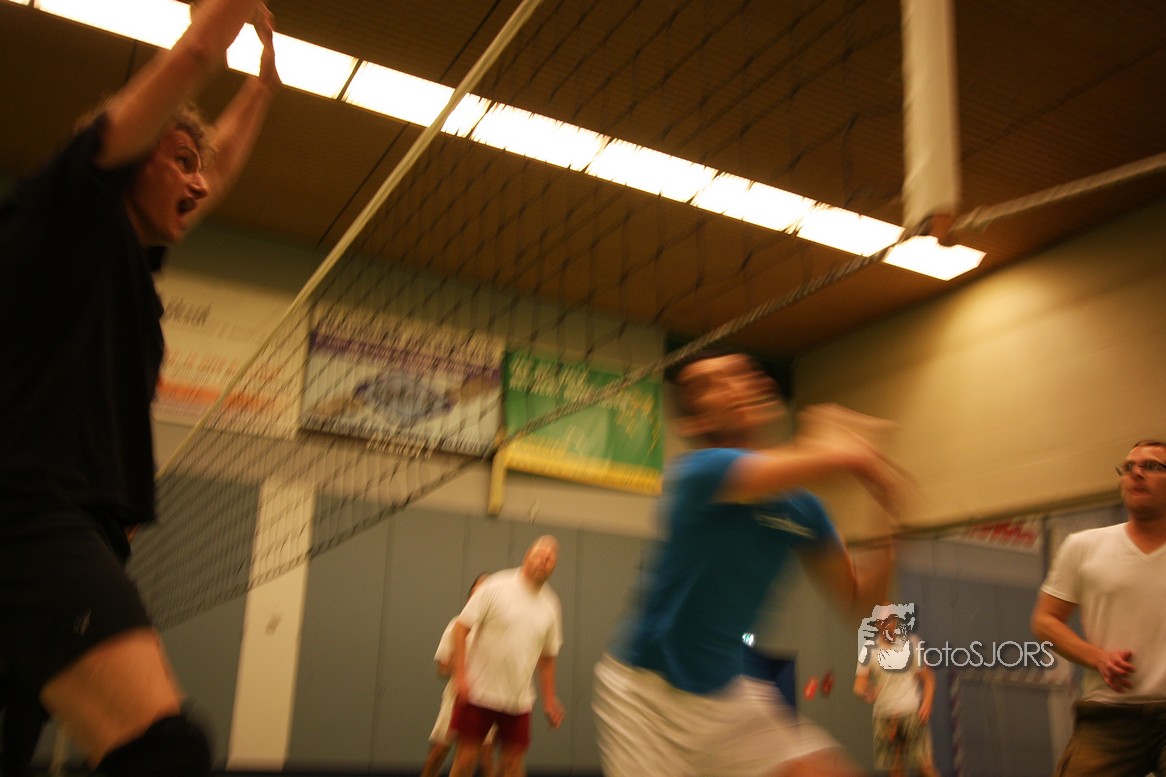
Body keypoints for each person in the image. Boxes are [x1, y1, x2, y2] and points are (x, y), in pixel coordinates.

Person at [0, 2, 279, 775]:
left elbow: (216, 172)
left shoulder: (125, 257)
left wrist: (262, 88)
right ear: (128, 162)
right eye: (180, 159)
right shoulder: (66, 209)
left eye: (199, 164)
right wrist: (220, 25)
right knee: (164, 751)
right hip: (28, 515)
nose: (199, 180)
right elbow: (185, 66)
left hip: (69, 529)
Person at [592, 350, 908, 777]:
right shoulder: (700, 474)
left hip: (727, 696)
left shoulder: (803, 508)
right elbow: (831, 461)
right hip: (643, 700)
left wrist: (885, 516)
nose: (734, 383)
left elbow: (862, 602)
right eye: (709, 384)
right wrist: (844, 446)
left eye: (739, 374)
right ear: (696, 422)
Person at [1031, 439, 1166, 776]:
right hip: (1108, 715)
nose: (1136, 473)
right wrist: (1098, 658)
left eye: (1151, 466)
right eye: (1129, 467)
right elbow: (1046, 620)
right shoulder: (1083, 546)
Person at [449, 536, 565, 777]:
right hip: (478, 691)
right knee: (466, 759)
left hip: (518, 699)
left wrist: (549, 698)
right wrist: (460, 676)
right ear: (527, 557)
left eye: (550, 559)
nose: (544, 561)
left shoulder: (551, 605)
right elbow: (460, 629)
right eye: (540, 555)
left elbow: (547, 657)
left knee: (512, 763)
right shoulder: (496, 586)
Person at [421, 572, 496, 777]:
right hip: (457, 697)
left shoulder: (497, 630)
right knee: (439, 750)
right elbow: (443, 667)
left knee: (486, 754)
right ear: (470, 596)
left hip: (488, 699)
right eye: (478, 589)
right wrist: (463, 670)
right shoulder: (456, 625)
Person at [853, 606, 939, 777]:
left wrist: (927, 702)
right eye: (883, 621)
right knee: (895, 771)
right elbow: (859, 685)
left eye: (891, 619)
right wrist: (867, 691)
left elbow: (928, 678)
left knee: (926, 767)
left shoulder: (911, 643)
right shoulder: (869, 649)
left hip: (912, 713)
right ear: (877, 624)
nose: (888, 624)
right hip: (884, 717)